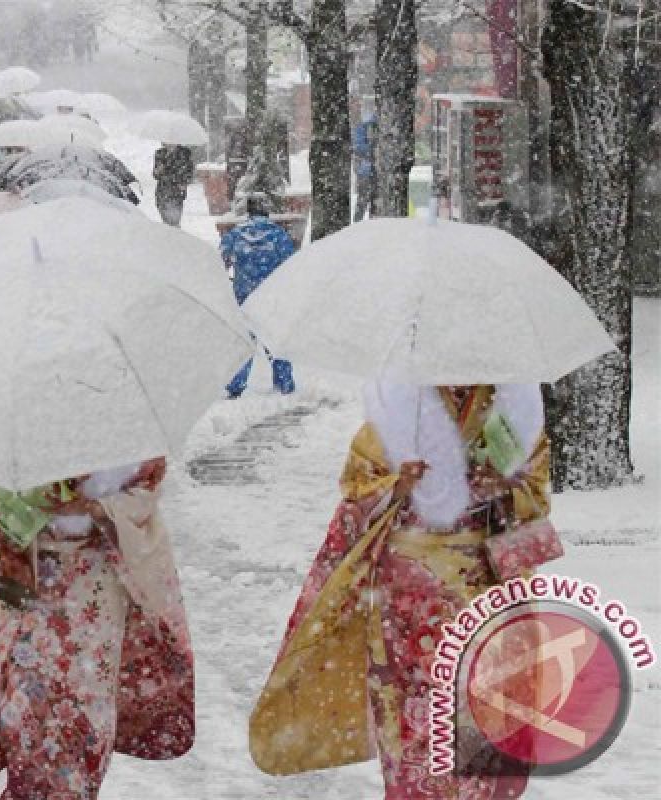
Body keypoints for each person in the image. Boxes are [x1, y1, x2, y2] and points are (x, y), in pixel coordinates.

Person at [249, 383, 562, 799]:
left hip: (479, 585)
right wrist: (397, 487)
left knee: (481, 711)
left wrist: (503, 489)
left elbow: (535, 496)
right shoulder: (398, 408)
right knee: (411, 714)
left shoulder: (509, 407)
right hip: (406, 595)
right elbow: (356, 493)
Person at [0, 460, 195, 799]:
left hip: (95, 585)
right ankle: (31, 788)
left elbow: (143, 498)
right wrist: (18, 503)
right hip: (32, 577)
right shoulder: (16, 434)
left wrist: (94, 506)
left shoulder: (130, 433)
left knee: (88, 707)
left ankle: (72, 790)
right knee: (28, 703)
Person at [220, 194, 298, 397]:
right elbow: (292, 266)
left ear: (249, 211)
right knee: (276, 340)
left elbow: (220, 261)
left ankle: (236, 385)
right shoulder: (278, 235)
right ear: (267, 211)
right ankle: (284, 383)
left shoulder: (236, 234)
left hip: (244, 297)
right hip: (271, 297)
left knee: (244, 342)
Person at [153, 143, 195, 227]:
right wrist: (158, 171)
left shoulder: (184, 153)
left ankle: (174, 236)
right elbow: (155, 175)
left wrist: (183, 182)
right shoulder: (159, 153)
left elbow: (189, 173)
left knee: (174, 222)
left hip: (176, 192)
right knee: (165, 221)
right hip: (162, 192)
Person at [353, 112, 377, 222]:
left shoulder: (364, 127)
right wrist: (373, 150)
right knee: (364, 201)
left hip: (368, 171)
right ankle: (358, 226)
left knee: (370, 202)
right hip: (366, 171)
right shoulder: (365, 127)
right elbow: (358, 148)